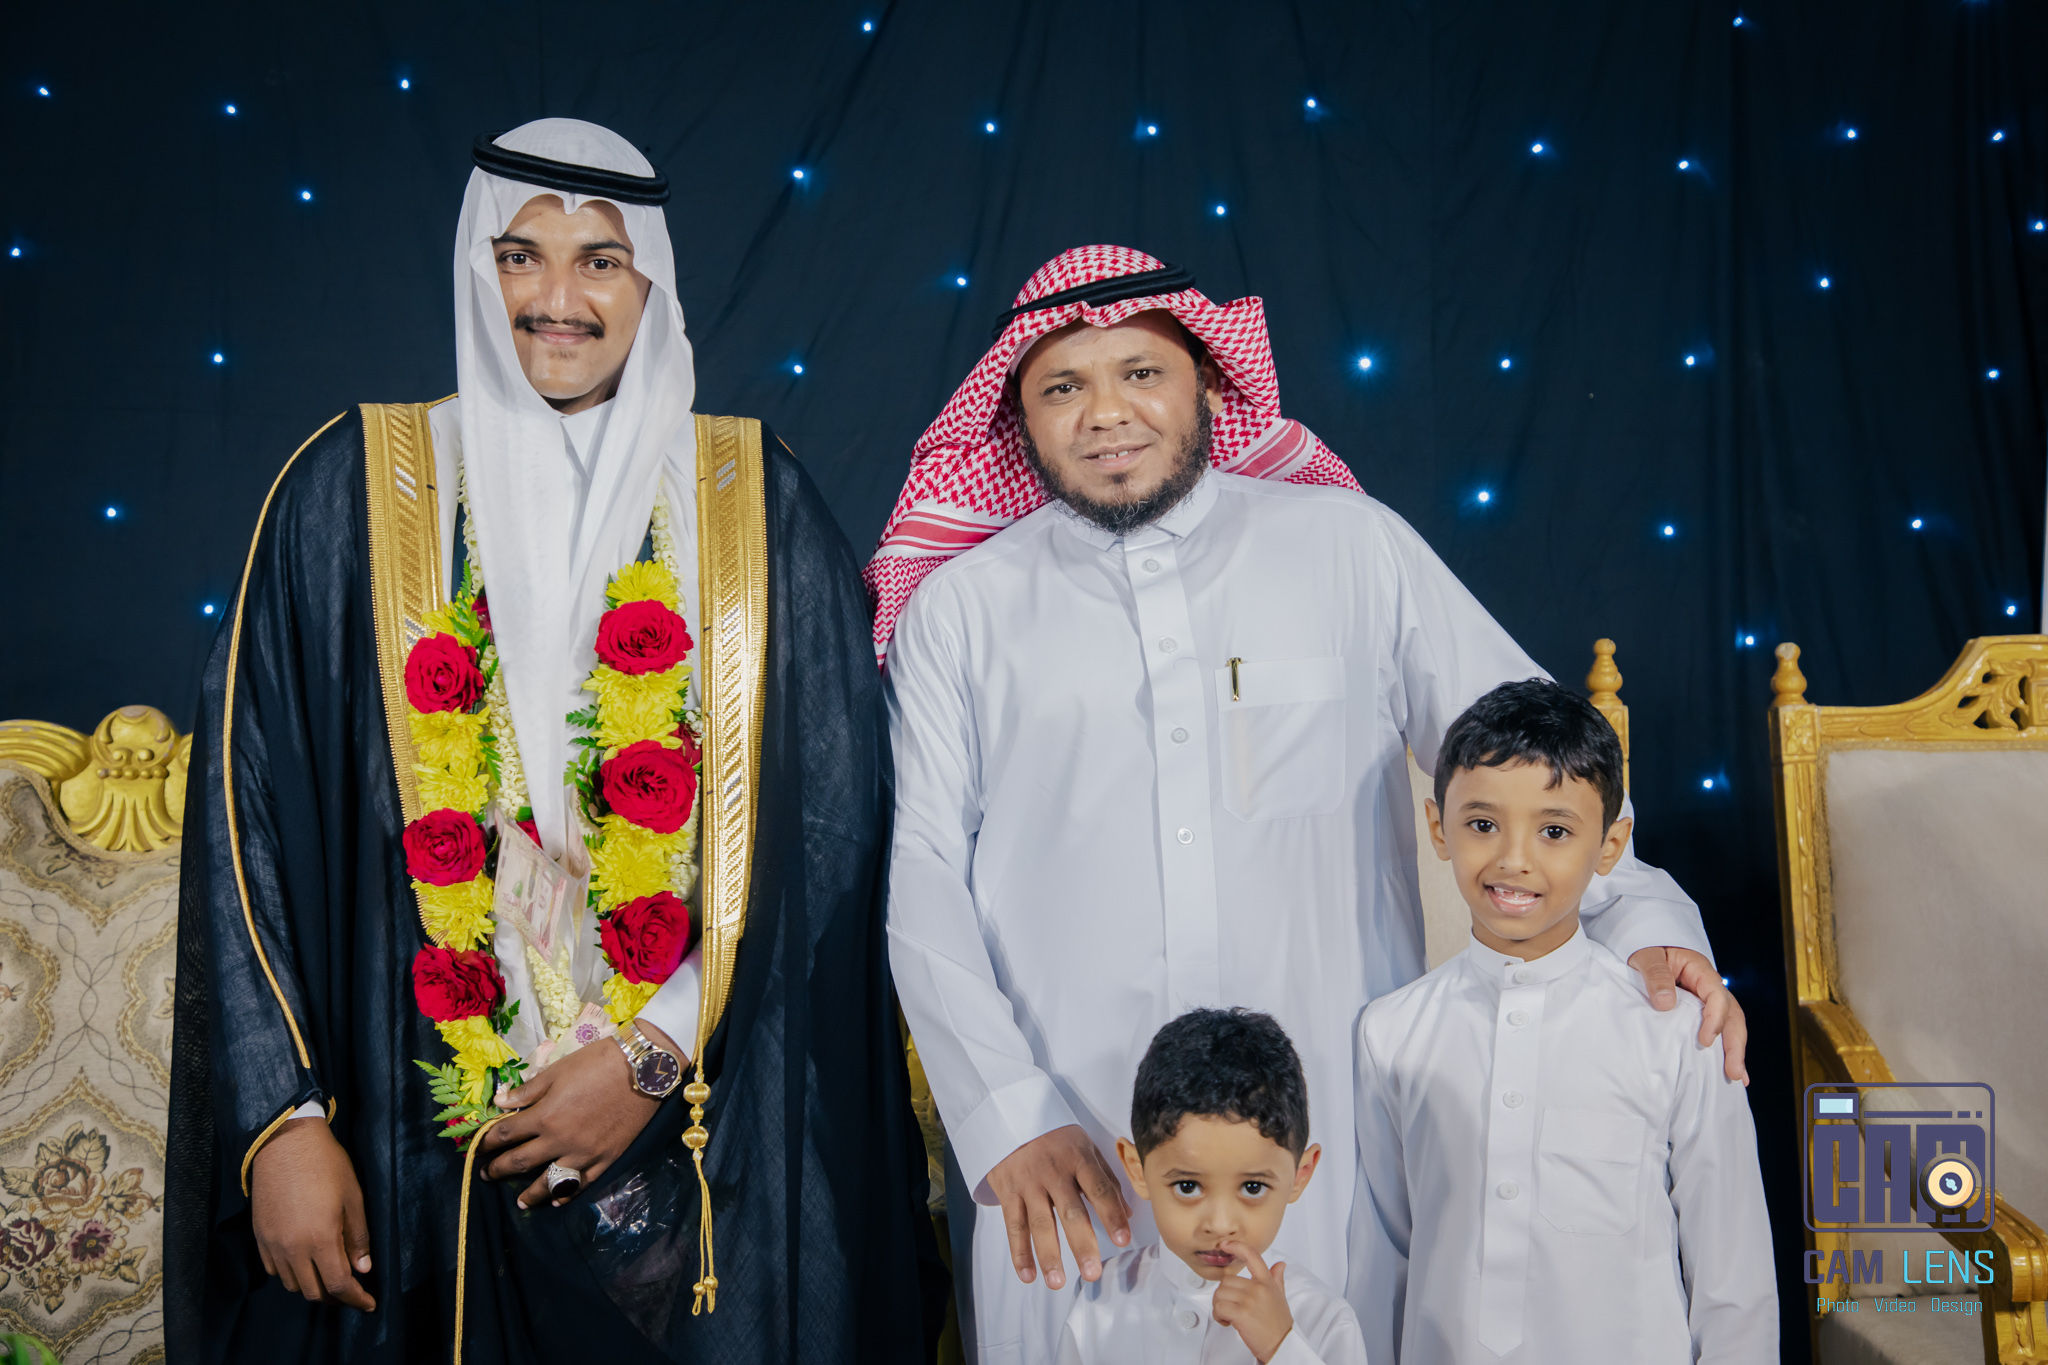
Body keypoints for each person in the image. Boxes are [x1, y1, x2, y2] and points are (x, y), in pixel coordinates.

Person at [872, 245, 1748, 1364]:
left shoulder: (1351, 548)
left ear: (1207, 381)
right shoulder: (959, 614)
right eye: (1062, 387)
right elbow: (918, 872)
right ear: (1019, 418)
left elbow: (1538, 762)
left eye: (1140, 373)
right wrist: (1007, 1113)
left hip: (1325, 1136)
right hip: (1075, 1149)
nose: (1106, 415)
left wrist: (1645, 920)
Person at [164, 119, 939, 1363]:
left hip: (691, 1120)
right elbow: (241, 823)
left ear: (651, 283)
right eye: (520, 256)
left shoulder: (752, 500)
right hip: (407, 1122)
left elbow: (833, 829)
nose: (557, 298)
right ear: (477, 269)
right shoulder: (351, 487)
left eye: (600, 261)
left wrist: (647, 1056)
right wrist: (283, 1124)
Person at [1353, 678, 1776, 1362]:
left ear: (1610, 845)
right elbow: (1383, 1264)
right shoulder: (1391, 1033)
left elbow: (1734, 1278)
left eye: (1554, 831)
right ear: (1437, 827)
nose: (1514, 859)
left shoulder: (1676, 1032)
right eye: (1482, 824)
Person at [1060, 1009, 1366, 1365]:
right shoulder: (1098, 1302)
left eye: (1253, 1187)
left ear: (1300, 1175)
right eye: (1188, 1186)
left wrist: (1281, 1349)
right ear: (1137, 1169)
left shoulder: (1325, 1321)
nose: (1220, 1225)